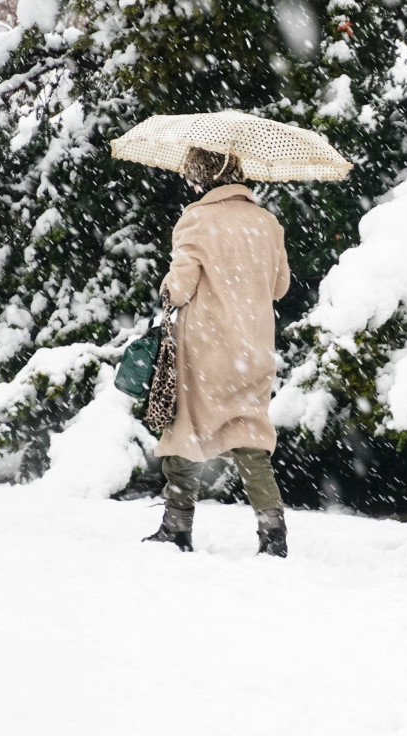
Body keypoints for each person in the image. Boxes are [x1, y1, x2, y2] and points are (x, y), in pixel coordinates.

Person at [142, 147, 291, 556]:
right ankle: (272, 530)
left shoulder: (196, 219)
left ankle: (176, 525)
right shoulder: (268, 223)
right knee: (250, 437)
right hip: (254, 347)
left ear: (201, 180)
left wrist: (166, 286)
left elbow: (180, 287)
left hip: (205, 350)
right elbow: (280, 288)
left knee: (184, 432)